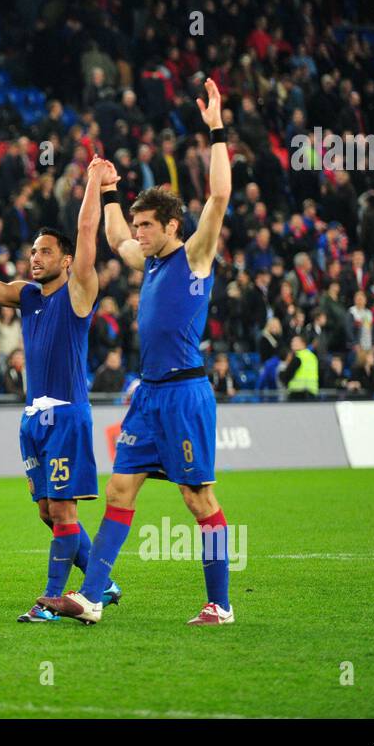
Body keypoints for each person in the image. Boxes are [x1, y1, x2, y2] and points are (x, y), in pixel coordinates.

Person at [41, 77, 234, 626]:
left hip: (185, 394)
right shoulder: (146, 259)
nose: (139, 234)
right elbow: (113, 234)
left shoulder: (195, 255)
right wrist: (105, 186)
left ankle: (220, 604)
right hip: (148, 395)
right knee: (120, 488)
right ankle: (92, 597)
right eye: (140, 225)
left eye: (148, 225)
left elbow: (219, 195)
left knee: (199, 501)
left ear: (173, 226)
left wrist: (216, 126)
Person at [0, 158, 121, 622]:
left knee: (63, 512)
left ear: (65, 260)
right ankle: (101, 580)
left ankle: (49, 602)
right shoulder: (26, 295)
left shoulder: (79, 290)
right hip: (33, 419)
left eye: (44, 252)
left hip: (65, 414)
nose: (35, 257)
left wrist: (91, 183)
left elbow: (87, 232)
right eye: (33, 252)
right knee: (47, 511)